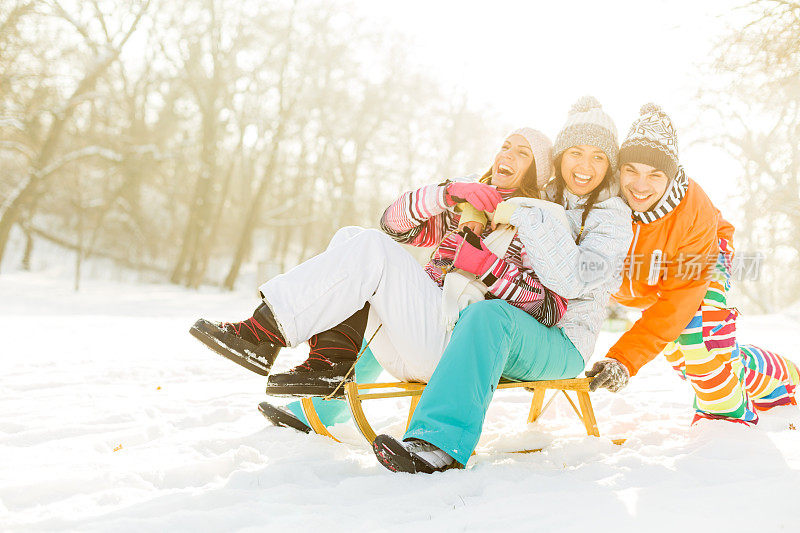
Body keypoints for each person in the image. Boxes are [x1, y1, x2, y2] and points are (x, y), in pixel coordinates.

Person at [190, 128, 566, 403]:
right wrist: (447, 193)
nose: (508, 154)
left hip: (453, 347)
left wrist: (486, 267)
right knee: (353, 236)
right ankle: (332, 361)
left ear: (537, 173)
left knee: (369, 246)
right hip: (412, 337)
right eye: (506, 146)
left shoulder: (536, 223)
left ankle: (262, 331)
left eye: (523, 153)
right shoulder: (465, 208)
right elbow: (393, 225)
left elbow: (547, 308)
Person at [371, 96, 634, 473]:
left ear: (609, 165)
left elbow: (575, 281)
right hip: (517, 325)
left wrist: (520, 217)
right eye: (576, 152)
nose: (585, 166)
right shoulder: (542, 196)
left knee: (489, 315)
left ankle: (439, 443)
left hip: (563, 340)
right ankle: (326, 395)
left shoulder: (612, 219)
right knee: (394, 297)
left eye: (598, 157)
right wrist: (477, 207)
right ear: (559, 158)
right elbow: (402, 227)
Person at [585, 104, 800, 425]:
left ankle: (726, 427)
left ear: (670, 177)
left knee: (701, 344)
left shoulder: (691, 211)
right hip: (654, 283)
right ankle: (779, 383)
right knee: (690, 361)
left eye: (655, 175)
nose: (640, 185)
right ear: (619, 169)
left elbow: (677, 303)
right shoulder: (604, 201)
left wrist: (623, 359)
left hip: (705, 258)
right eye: (631, 170)